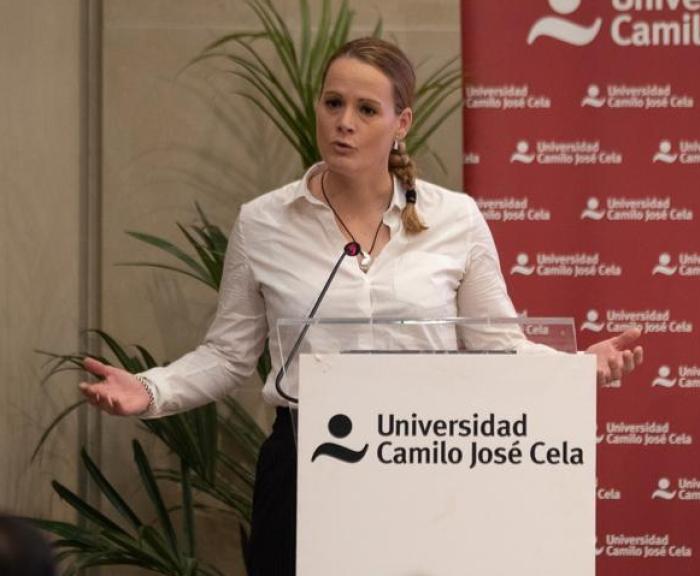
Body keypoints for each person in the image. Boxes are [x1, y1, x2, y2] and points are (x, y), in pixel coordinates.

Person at [78, 37, 643, 575]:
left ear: (402, 124)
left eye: (367, 109)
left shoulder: (455, 220)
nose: (344, 122)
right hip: (307, 462)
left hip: (429, 460)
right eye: (333, 103)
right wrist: (149, 390)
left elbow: (497, 345)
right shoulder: (265, 222)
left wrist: (574, 370)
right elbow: (228, 356)